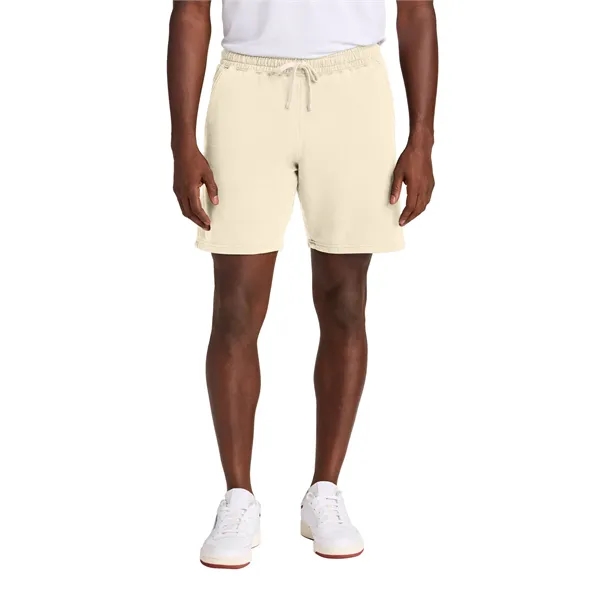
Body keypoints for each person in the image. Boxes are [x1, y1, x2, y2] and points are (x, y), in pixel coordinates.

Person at [167, 0, 438, 568]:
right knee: (235, 307)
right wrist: (181, 143)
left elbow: (416, 11)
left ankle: (325, 491)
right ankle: (238, 496)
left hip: (353, 88)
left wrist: (422, 139)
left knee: (345, 302)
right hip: (246, 87)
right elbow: (191, 11)